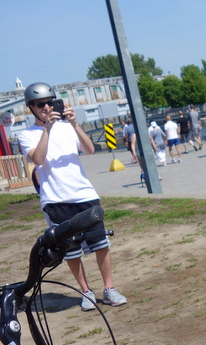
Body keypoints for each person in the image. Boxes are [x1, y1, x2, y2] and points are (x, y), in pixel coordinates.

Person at [18, 82, 127, 311]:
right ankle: (85, 291)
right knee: (70, 250)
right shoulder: (26, 134)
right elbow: (38, 159)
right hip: (55, 199)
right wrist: (47, 129)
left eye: (50, 102)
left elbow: (90, 149)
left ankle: (109, 288)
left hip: (84, 193)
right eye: (40, 104)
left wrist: (75, 124)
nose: (46, 107)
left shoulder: (67, 127)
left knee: (100, 244)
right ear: (31, 107)